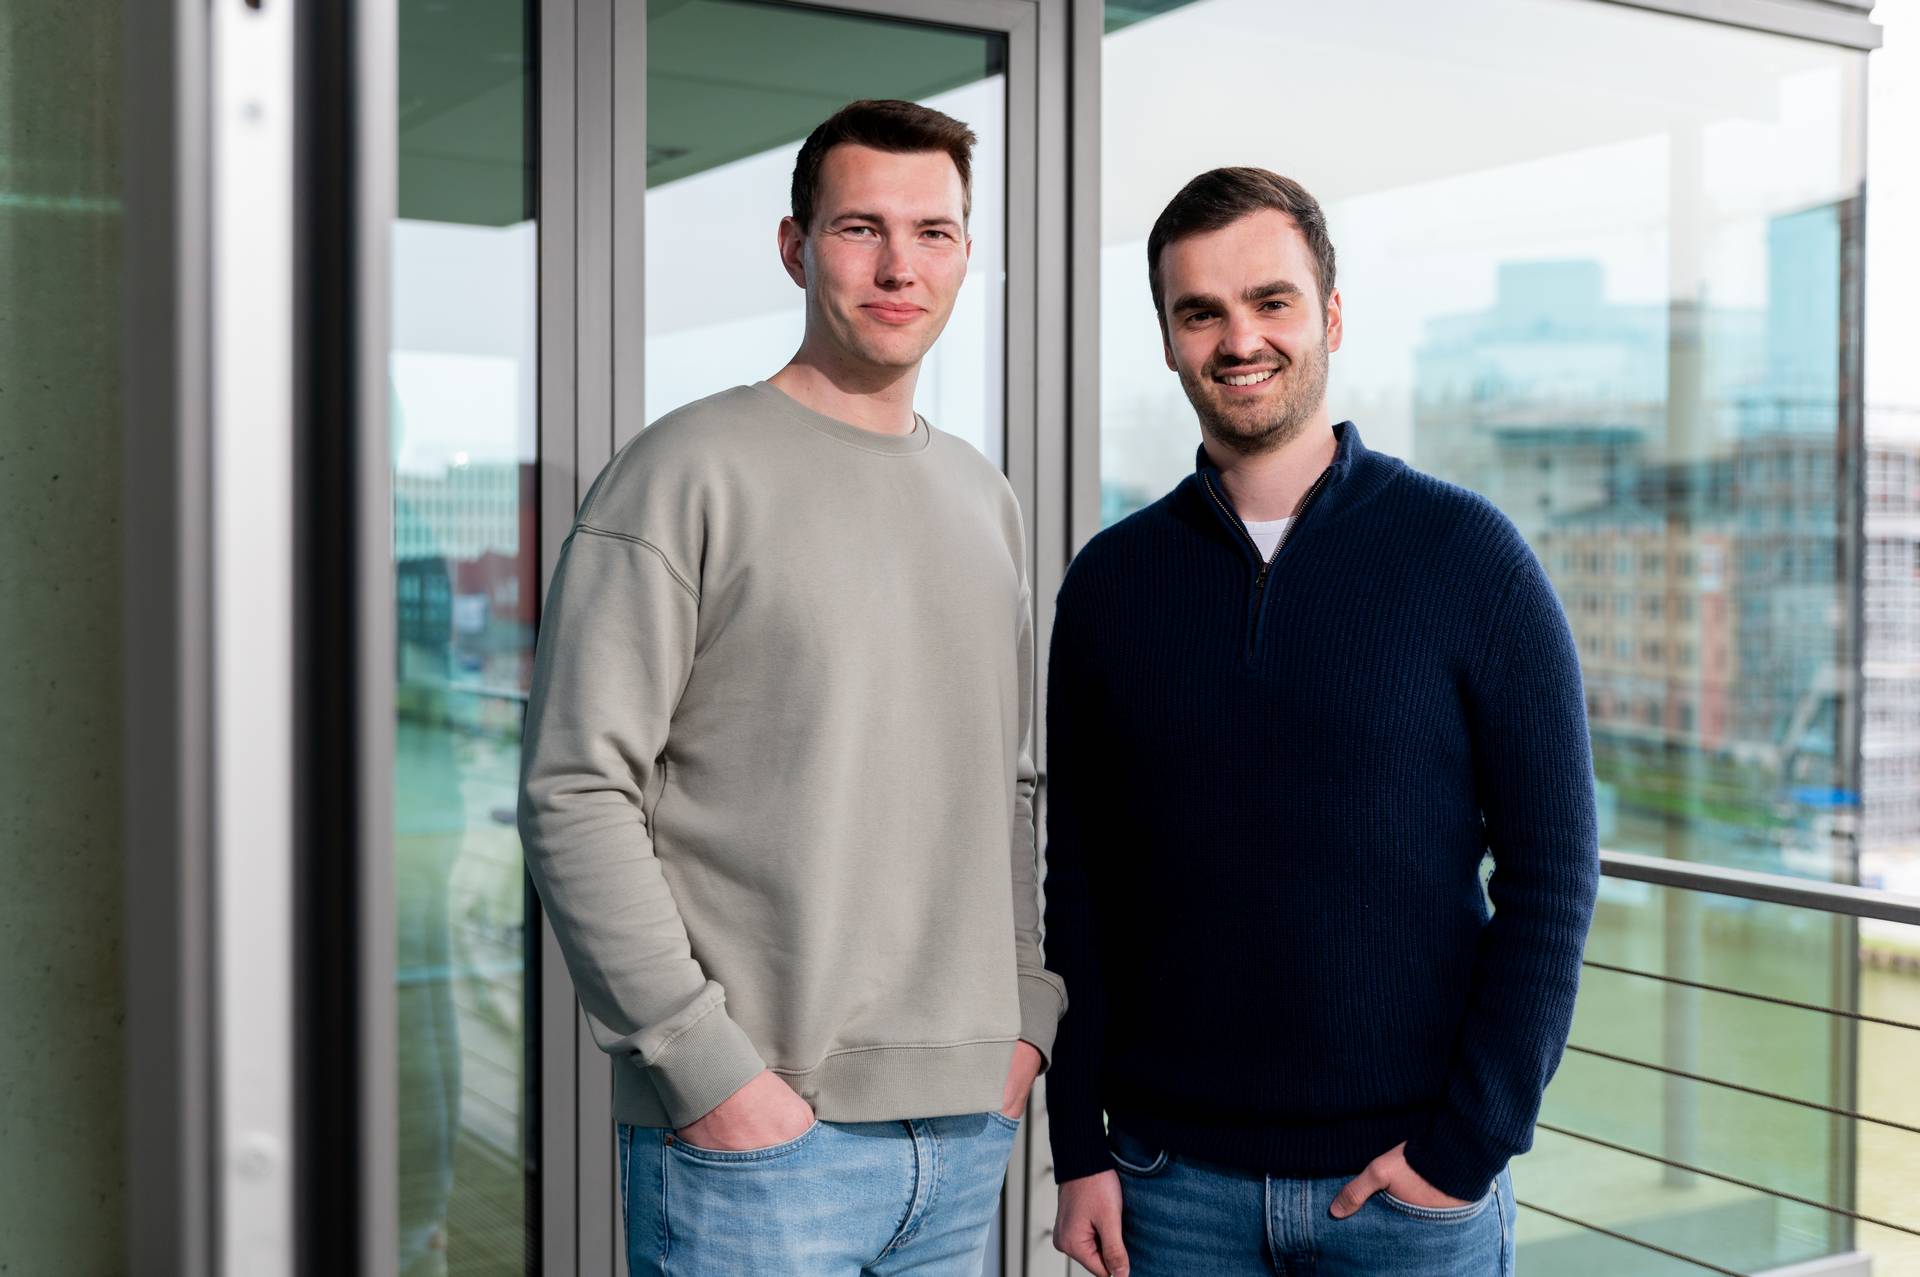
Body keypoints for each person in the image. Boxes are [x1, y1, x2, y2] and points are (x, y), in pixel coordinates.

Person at [517, 98, 1064, 1276]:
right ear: (796, 246)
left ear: (968, 253)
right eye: (861, 226)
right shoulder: (681, 473)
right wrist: (702, 1064)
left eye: (934, 232)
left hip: (967, 1131)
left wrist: (1026, 1015)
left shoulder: (987, 498)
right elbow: (576, 788)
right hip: (760, 1146)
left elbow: (1010, 789)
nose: (898, 264)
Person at [1042, 167, 1600, 1277]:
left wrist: (1468, 1147)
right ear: (1167, 340)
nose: (1238, 337)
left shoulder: (1469, 558)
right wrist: (1075, 1150)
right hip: (1168, 1187)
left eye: (1272, 300)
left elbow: (1554, 871)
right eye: (1199, 311)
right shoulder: (1110, 585)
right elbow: (1080, 886)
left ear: (1331, 317)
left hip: (1405, 1196)